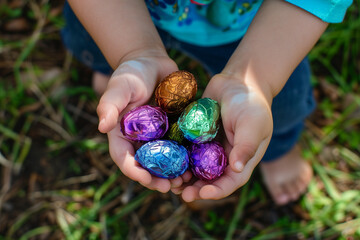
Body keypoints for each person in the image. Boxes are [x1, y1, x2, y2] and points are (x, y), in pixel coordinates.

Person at [61, 0, 352, 205]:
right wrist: (132, 51)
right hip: (120, 14)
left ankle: (278, 148)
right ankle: (118, 65)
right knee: (95, 45)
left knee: (281, 104)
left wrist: (256, 82)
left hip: (259, 33)